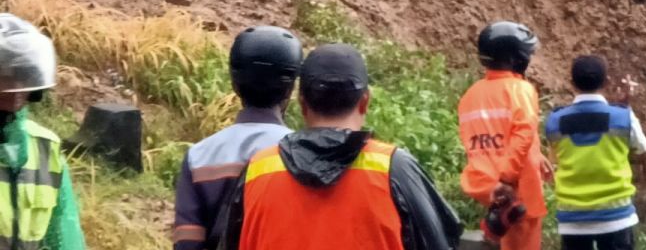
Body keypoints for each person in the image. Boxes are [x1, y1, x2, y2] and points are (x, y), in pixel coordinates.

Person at [219, 43, 461, 250]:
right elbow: (440, 239)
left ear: (302, 104)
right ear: (365, 102)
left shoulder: (258, 170)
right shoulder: (393, 168)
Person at [173, 25, 303, 250]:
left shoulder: (199, 156)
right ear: (290, 89)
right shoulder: (303, 155)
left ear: (234, 83)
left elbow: (187, 243)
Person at [457, 21, 548, 250]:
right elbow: (522, 131)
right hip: (517, 192)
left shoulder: (471, 95)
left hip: (488, 189)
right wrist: (507, 179)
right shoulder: (520, 89)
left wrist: (536, 157)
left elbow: (492, 135)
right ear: (515, 58)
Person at [545, 56, 646, 250]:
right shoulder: (623, 117)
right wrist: (626, 109)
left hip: (572, 219)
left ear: (572, 84)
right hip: (616, 216)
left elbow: (555, 157)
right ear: (607, 81)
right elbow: (642, 147)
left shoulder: (555, 121)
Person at [0, 14, 85, 250]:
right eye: (5, 77)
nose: (15, 89)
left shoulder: (44, 146)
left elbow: (65, 233)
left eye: (20, 77)